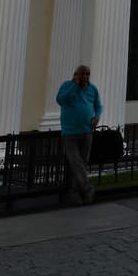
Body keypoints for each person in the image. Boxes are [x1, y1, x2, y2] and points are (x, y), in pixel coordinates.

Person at [55, 64, 101, 206]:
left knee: (81, 164)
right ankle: (88, 189)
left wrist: (96, 117)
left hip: (86, 131)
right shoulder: (67, 86)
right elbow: (60, 100)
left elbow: (98, 106)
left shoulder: (92, 88)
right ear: (76, 75)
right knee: (76, 162)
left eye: (87, 74)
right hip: (70, 133)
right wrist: (74, 86)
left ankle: (75, 194)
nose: (85, 77)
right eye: (82, 74)